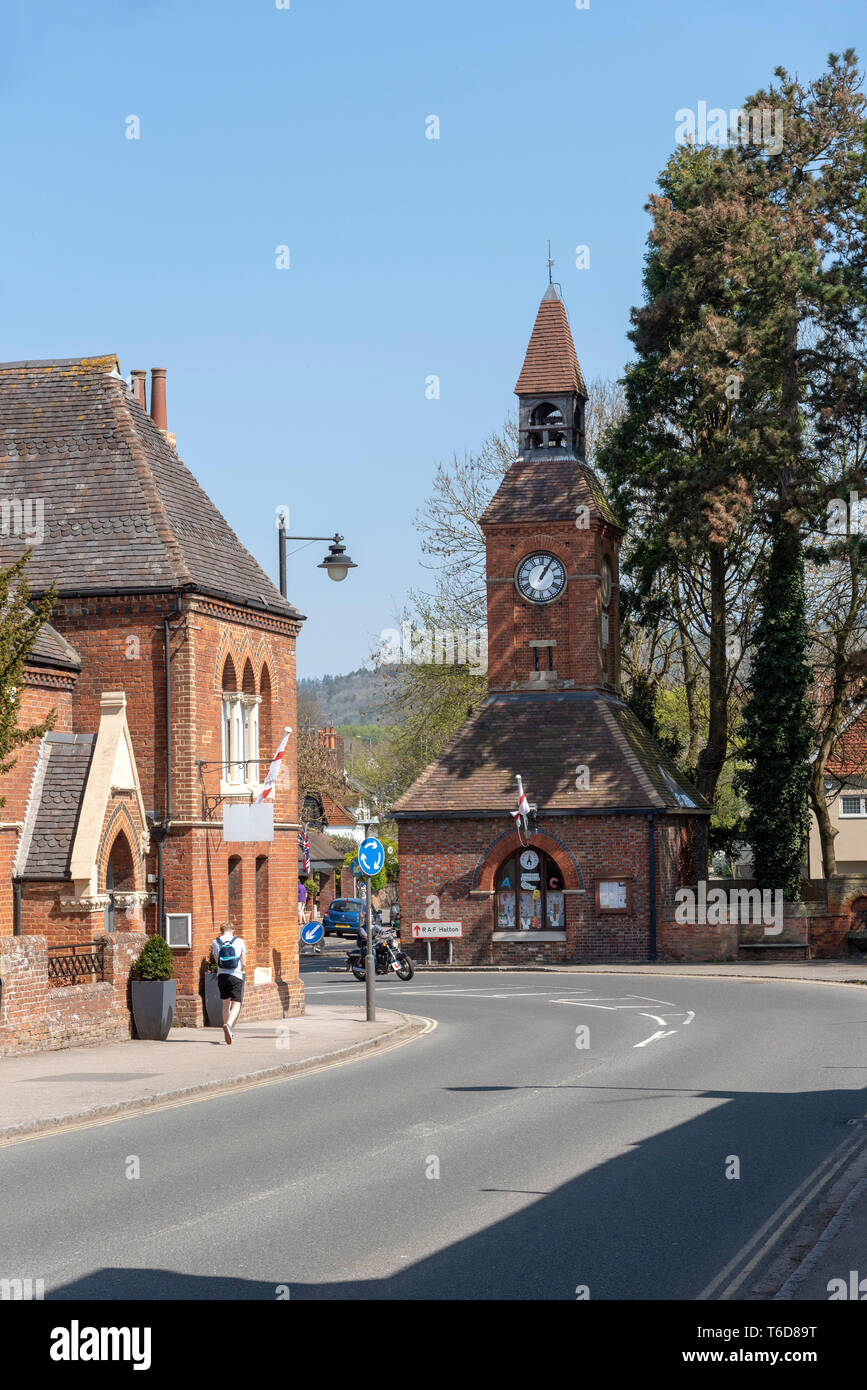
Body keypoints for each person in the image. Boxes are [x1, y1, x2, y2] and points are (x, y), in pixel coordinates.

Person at [212, 921, 246, 1044]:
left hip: (222, 976)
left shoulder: (215, 942)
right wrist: (239, 971)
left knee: (225, 1004)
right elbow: (244, 962)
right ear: (232, 930)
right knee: (236, 1003)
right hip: (235, 975)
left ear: (221, 931)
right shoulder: (239, 941)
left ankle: (227, 1029)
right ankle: (229, 1025)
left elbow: (217, 961)